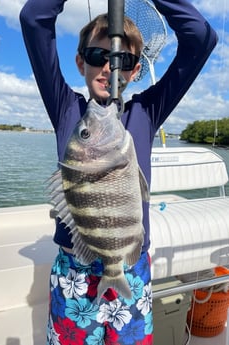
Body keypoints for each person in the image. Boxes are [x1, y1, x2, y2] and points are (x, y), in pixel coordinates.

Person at [20, 0, 217, 344]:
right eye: (97, 57)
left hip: (131, 267)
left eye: (121, 61)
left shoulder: (146, 111)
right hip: (75, 274)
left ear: (135, 69)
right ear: (80, 61)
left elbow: (201, 38)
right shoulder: (68, 110)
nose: (107, 68)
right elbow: (33, 19)